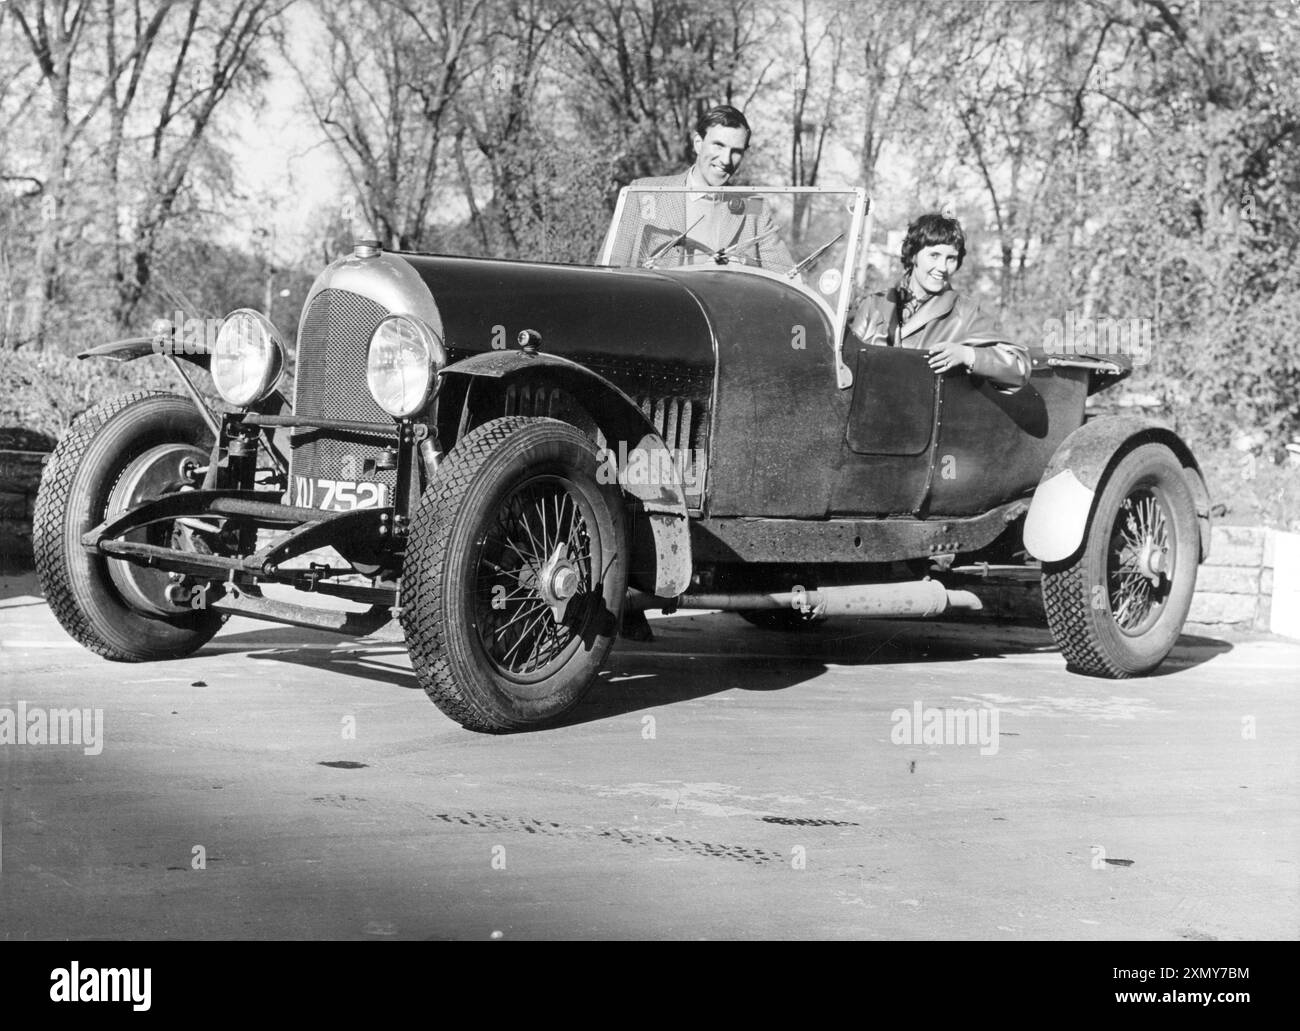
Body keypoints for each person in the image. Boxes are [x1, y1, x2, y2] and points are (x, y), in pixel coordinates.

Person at [849, 213, 1030, 394]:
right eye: (934, 255)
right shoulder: (873, 305)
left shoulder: (965, 312)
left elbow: (1019, 366)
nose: (943, 267)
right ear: (913, 255)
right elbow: (845, 363)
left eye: (950, 258)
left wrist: (968, 355)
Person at [614, 105, 794, 271]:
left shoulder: (753, 206)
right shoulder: (643, 193)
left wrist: (744, 266)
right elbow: (610, 270)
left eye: (736, 151)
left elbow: (785, 275)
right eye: (719, 145)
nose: (725, 159)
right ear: (698, 143)